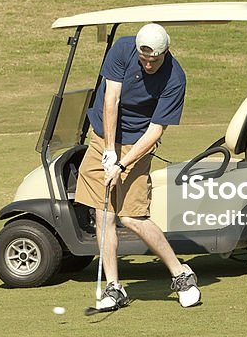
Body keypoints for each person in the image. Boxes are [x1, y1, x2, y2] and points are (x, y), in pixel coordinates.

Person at [75, 22, 201, 310]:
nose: (147, 63)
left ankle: (181, 274)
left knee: (132, 216)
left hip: (138, 143)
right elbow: (111, 99)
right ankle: (114, 288)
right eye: (144, 58)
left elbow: (155, 131)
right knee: (103, 213)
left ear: (165, 52)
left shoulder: (175, 78)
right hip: (104, 136)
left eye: (153, 59)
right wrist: (108, 150)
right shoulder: (122, 49)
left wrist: (121, 164)